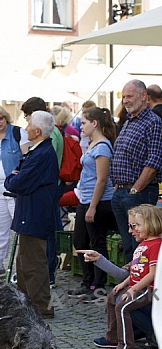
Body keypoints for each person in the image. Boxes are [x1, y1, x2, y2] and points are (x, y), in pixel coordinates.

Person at [90, 204, 162, 349]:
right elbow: (137, 271)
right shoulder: (143, 244)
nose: (130, 230)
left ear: (150, 223)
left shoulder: (156, 245)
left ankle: (126, 348)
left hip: (149, 290)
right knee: (111, 299)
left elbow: (153, 274)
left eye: (134, 226)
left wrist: (132, 289)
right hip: (137, 287)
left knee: (123, 308)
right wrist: (124, 284)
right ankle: (112, 337)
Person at [4, 111, 58, 318]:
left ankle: (40, 306)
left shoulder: (42, 154)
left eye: (28, 126)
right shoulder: (37, 150)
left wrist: (12, 179)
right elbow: (18, 176)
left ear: (37, 131)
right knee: (25, 262)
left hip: (35, 213)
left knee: (34, 263)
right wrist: (14, 178)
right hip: (30, 211)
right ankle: (27, 304)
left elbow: (18, 181)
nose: (25, 129)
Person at [68, 107, 117, 302]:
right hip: (85, 198)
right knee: (79, 241)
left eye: (84, 122)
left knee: (97, 243)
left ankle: (99, 285)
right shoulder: (91, 144)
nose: (81, 126)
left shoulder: (103, 147)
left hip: (98, 201)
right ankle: (87, 281)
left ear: (94, 123)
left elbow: (102, 179)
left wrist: (93, 206)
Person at [110, 79, 162, 263]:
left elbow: (154, 161)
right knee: (128, 246)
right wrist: (118, 187)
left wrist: (136, 189)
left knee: (140, 247)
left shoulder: (153, 122)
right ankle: (130, 286)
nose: (125, 100)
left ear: (144, 96)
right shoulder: (130, 122)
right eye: (123, 96)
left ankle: (141, 288)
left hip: (138, 192)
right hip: (122, 191)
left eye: (129, 96)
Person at [21, 97, 64, 287]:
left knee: (47, 232)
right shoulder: (51, 133)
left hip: (46, 190)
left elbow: (43, 163)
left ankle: (48, 274)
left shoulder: (50, 135)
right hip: (47, 188)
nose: (26, 123)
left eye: (28, 117)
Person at [0, 105, 28, 276]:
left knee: (19, 229)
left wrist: (22, 173)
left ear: (5, 117)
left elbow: (27, 157)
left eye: (0, 118)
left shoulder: (17, 133)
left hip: (14, 190)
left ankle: (19, 266)